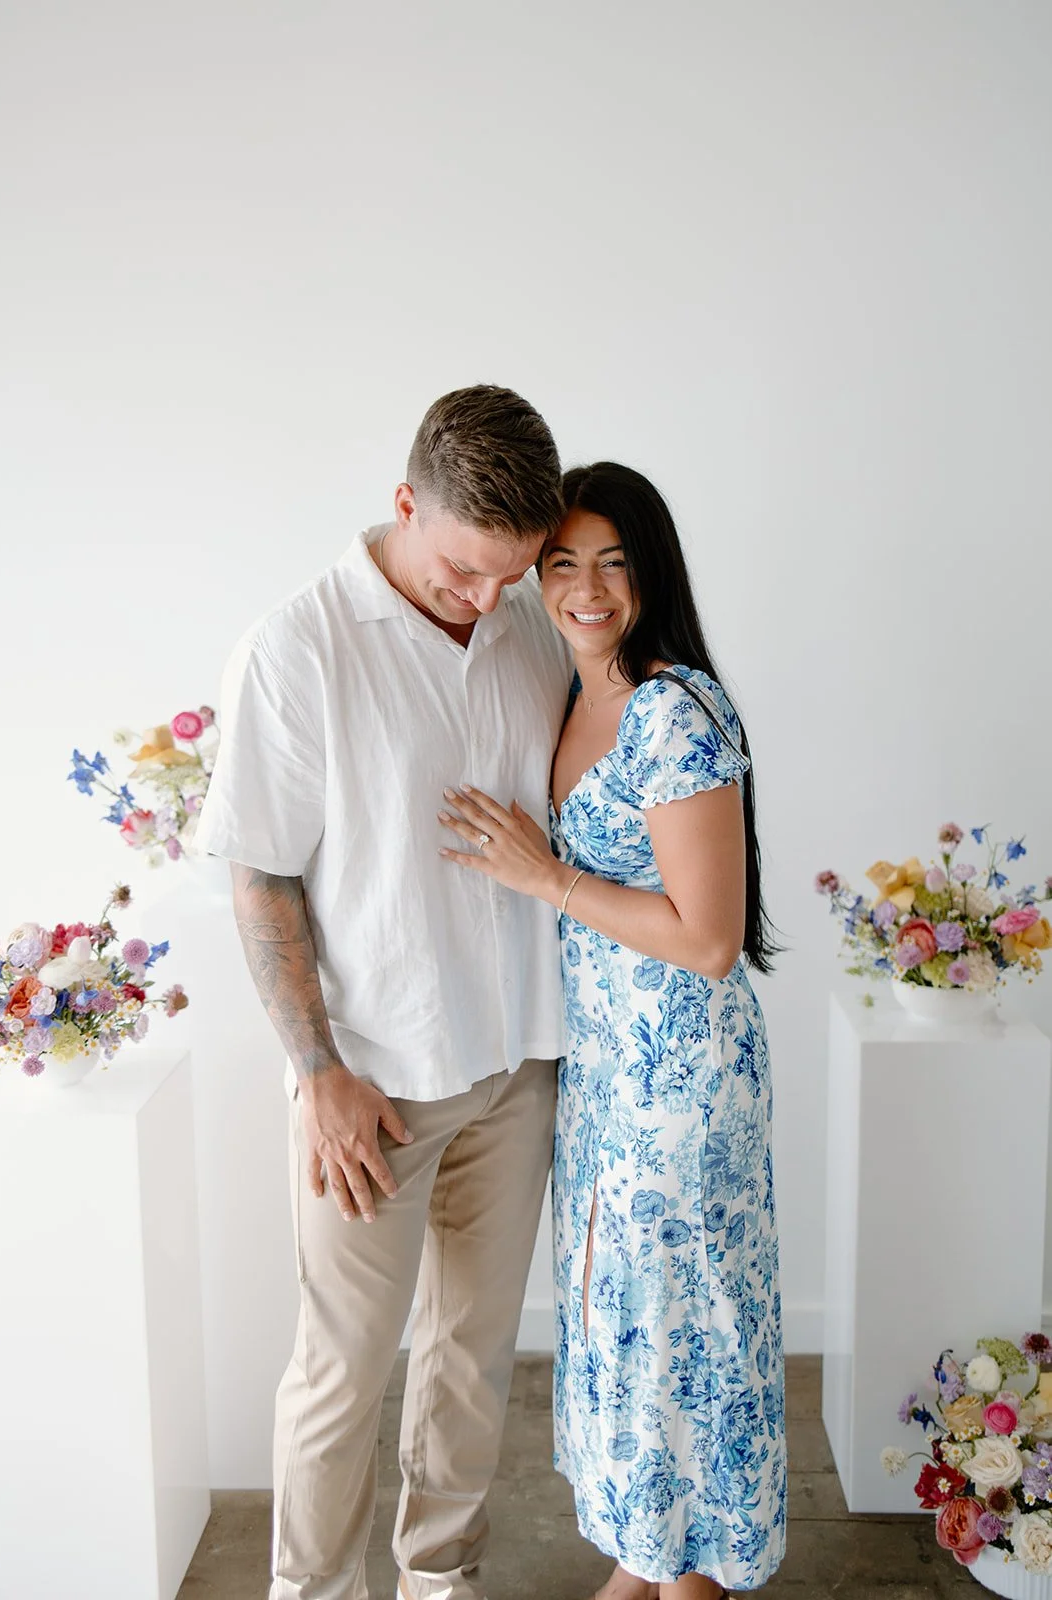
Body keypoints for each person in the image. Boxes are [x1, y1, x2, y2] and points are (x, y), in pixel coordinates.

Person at [195, 385, 573, 1600]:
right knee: (342, 1369)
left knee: (470, 1357)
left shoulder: (523, 621)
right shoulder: (297, 649)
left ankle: (438, 1576)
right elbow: (258, 876)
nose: (486, 599)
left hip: (514, 1058)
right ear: (404, 503)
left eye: (506, 575)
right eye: (464, 568)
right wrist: (316, 1075)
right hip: (373, 1087)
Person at [438, 462, 787, 1599]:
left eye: (613, 560)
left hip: (679, 1077)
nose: (586, 587)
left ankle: (695, 1574)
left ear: (651, 571)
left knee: (680, 1324)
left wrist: (543, 875)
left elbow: (706, 937)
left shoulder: (671, 709)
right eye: (560, 563)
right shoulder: (573, 688)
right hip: (606, 1070)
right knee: (622, 1321)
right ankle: (647, 1556)